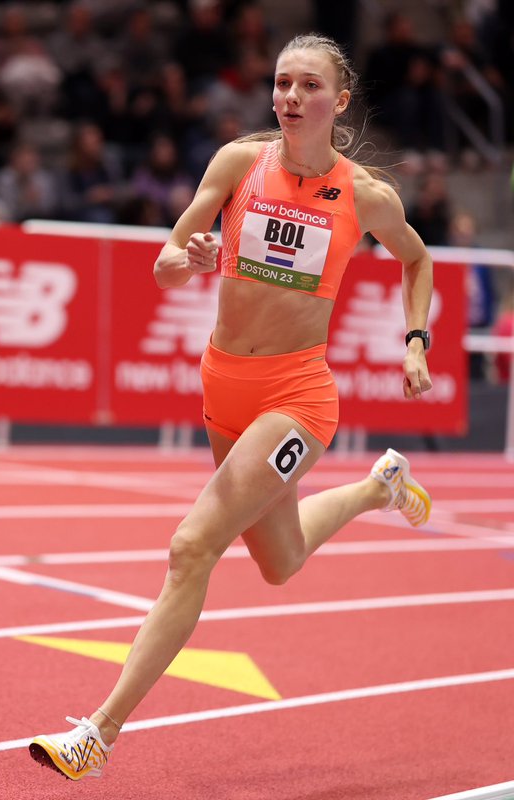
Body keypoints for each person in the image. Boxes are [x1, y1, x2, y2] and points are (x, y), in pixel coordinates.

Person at [29, 33, 434, 781]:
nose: (288, 97)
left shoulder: (364, 195)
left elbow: (416, 259)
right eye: (281, 83)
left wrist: (415, 342)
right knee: (278, 561)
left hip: (296, 397)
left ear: (338, 101)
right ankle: (381, 486)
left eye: (307, 85)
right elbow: (164, 264)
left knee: (191, 547)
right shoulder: (238, 163)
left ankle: (98, 732)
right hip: (223, 388)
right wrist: (189, 259)